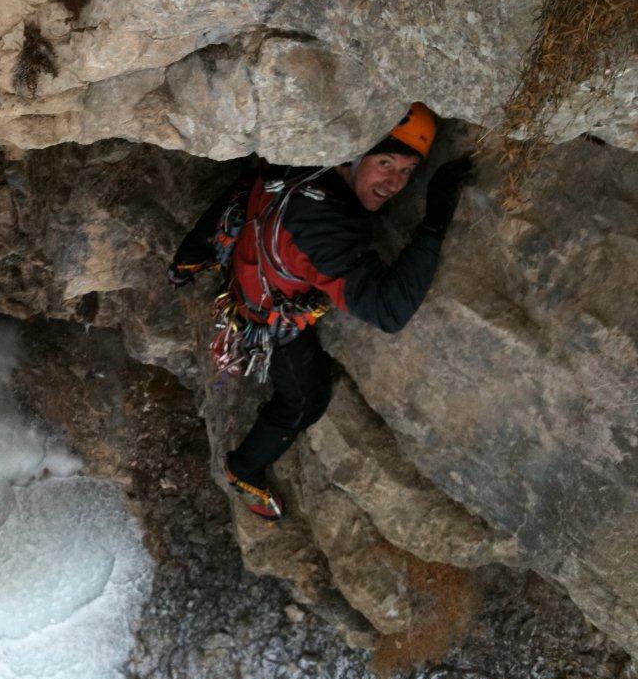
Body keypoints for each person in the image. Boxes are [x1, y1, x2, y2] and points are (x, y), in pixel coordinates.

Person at [168, 102, 473, 521]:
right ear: (355, 155)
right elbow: (388, 310)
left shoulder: (300, 158)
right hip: (266, 317)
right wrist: (436, 219)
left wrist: (191, 254)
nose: (394, 183)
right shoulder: (324, 225)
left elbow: (243, 190)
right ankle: (243, 469)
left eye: (407, 171)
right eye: (386, 163)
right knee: (306, 400)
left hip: (250, 272)